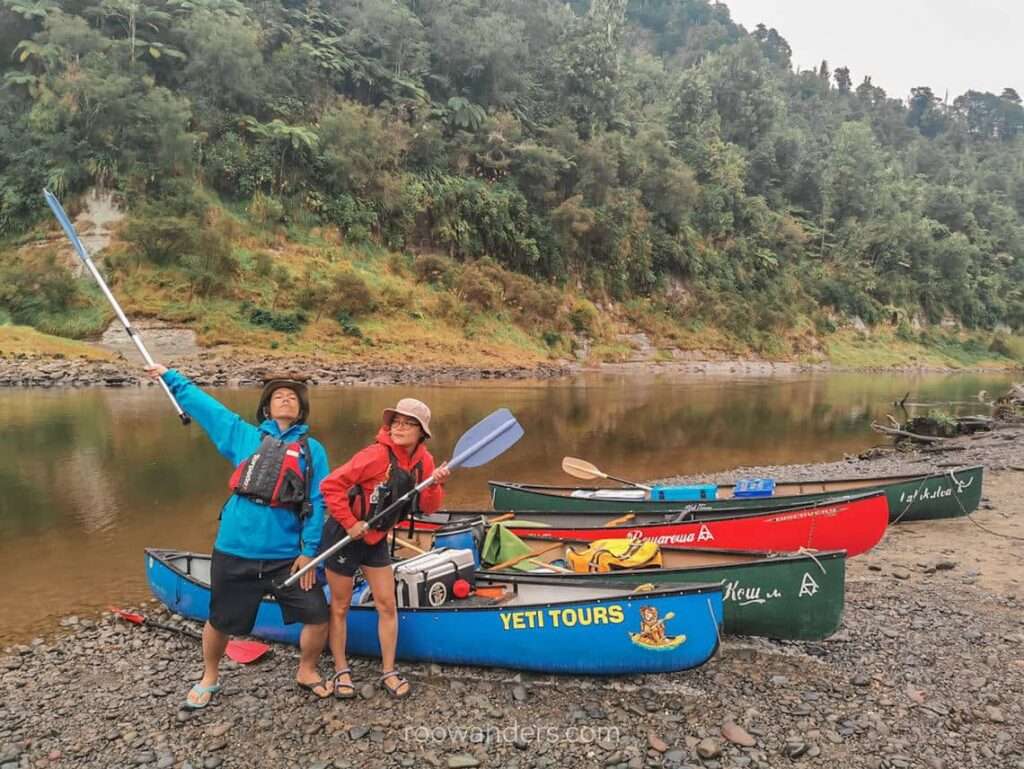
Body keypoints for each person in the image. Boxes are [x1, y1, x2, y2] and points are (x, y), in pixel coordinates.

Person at [145, 364, 333, 708]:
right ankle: (209, 677)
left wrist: (308, 551)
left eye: (292, 397)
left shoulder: (313, 450)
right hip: (234, 548)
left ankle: (307, 670)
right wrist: (169, 376)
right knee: (219, 620)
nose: (286, 400)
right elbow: (206, 407)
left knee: (318, 616)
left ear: (301, 408)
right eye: (279, 397)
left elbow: (318, 501)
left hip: (286, 556)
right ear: (266, 407)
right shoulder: (243, 436)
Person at [319, 398, 450, 699]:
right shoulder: (374, 456)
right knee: (339, 606)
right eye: (396, 422)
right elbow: (330, 486)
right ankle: (341, 670)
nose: (400, 427)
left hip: (376, 538)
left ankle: (388, 671)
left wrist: (435, 484)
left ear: (422, 433)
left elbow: (430, 507)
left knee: (387, 605)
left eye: (409, 423)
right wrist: (351, 522)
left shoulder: (424, 463)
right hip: (345, 536)